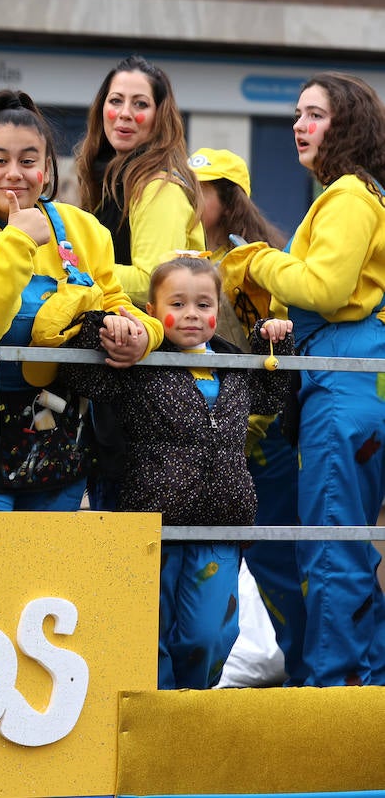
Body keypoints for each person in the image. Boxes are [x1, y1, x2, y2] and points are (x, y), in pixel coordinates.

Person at [62, 255, 294, 688]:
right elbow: (80, 372)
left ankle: (192, 706)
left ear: (217, 308)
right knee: (152, 634)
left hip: (220, 524)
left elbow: (272, 398)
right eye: (179, 303)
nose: (192, 314)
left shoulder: (234, 362)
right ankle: (159, 716)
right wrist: (108, 326)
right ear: (151, 312)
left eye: (204, 305)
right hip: (155, 524)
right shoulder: (136, 361)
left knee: (212, 635)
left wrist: (275, 344)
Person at [222, 72, 385, 686]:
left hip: (344, 384)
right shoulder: (365, 194)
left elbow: (325, 288)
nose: (298, 124)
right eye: (297, 113)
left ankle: (332, 695)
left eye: (314, 115)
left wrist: (255, 259)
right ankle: (364, 686)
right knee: (339, 546)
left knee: (330, 547)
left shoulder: (346, 194)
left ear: (347, 126)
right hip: (354, 378)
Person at [0, 90, 162, 511]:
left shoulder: (84, 229)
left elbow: (116, 301)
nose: (13, 174)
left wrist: (139, 336)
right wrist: (16, 242)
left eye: (29, 161)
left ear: (47, 167)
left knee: (48, 575)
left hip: (62, 445)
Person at [190, 147, 305, 683]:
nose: (189, 198)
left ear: (228, 198)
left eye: (201, 189)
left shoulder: (260, 260)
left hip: (261, 442)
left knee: (277, 563)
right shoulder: (179, 258)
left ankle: (308, 673)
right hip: (200, 440)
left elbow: (282, 345)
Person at [74, 55, 202, 309]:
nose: (124, 114)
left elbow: (152, 283)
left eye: (140, 104)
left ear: (159, 117)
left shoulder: (159, 187)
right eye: (116, 101)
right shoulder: (106, 181)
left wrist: (73, 268)